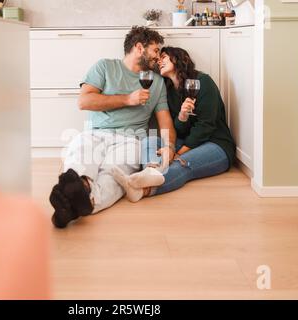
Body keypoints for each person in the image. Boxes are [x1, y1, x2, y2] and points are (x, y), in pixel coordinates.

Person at [49, 27, 176, 228]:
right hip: (96, 133)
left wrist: (169, 145)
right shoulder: (105, 67)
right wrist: (128, 99)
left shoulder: (157, 81)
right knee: (80, 152)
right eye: (155, 50)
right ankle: (79, 190)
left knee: (115, 175)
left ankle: (75, 204)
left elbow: (165, 119)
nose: (158, 57)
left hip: (132, 139)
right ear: (139, 47)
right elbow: (84, 102)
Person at [112, 46, 236, 201]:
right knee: (150, 140)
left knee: (180, 164)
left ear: (178, 58)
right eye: (158, 60)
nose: (159, 61)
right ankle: (150, 171)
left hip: (216, 144)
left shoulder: (203, 81)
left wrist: (176, 153)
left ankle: (143, 190)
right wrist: (182, 117)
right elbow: (178, 129)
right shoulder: (169, 90)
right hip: (186, 141)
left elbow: (206, 126)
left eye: (163, 57)